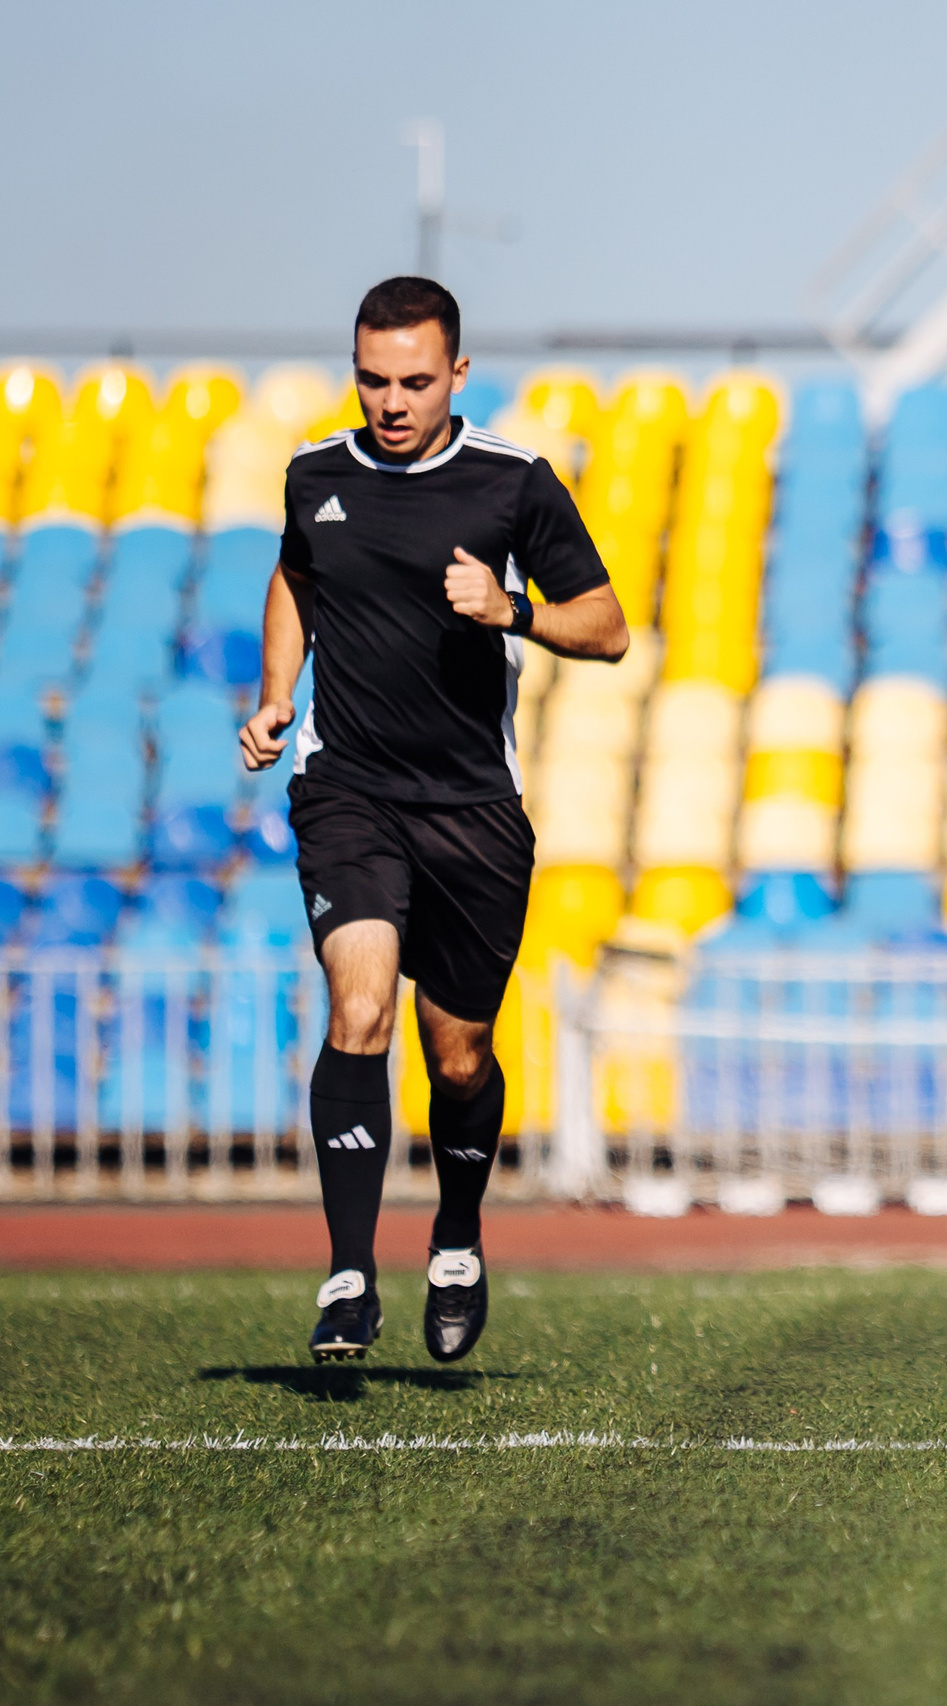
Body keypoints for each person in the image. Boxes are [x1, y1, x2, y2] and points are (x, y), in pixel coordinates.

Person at [239, 277, 629, 1364]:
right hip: (348, 789)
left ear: (458, 372)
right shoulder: (316, 474)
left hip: (472, 810)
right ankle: (350, 1273)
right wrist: (279, 691)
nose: (392, 401)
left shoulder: (513, 484)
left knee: (458, 1059)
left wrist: (515, 611)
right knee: (358, 1003)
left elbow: (608, 627)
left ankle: (456, 1237)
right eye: (373, 379)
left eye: (415, 380)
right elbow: (295, 574)